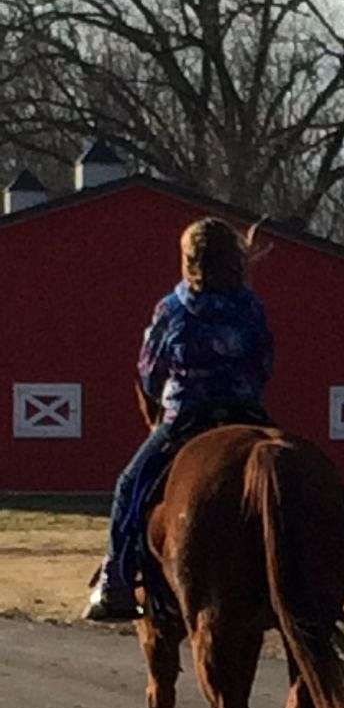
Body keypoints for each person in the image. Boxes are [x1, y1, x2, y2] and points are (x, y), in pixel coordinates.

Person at [82, 218, 274, 622]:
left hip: (189, 415)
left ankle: (116, 583)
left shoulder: (172, 308)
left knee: (128, 485)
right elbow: (265, 362)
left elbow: (150, 370)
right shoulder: (251, 306)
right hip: (246, 411)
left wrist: (163, 396)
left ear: (189, 260)